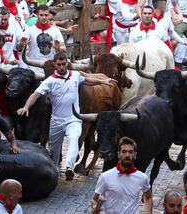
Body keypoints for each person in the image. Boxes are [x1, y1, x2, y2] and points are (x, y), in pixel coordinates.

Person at [17, 52, 115, 180]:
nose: (62, 67)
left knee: (74, 139)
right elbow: (35, 94)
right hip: (56, 120)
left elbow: (89, 80)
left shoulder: (75, 75)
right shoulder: (50, 80)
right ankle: (54, 170)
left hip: (73, 119)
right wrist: (26, 107)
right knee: (54, 150)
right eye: (59, 65)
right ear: (55, 65)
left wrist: (103, 80)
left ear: (67, 64)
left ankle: (69, 167)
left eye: (64, 64)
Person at [90, 137, 153, 213]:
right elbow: (94, 199)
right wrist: (94, 208)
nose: (127, 155)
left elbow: (148, 198)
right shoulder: (105, 177)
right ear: (118, 154)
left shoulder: (142, 178)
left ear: (135, 155)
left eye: (130, 152)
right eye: (124, 151)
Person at [20, 4, 65, 75]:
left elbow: (64, 48)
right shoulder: (29, 30)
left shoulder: (55, 30)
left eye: (46, 15)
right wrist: (21, 44)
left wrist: (58, 47)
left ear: (49, 15)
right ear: (37, 15)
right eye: (41, 15)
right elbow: (18, 47)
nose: (44, 17)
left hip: (51, 69)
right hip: (33, 70)